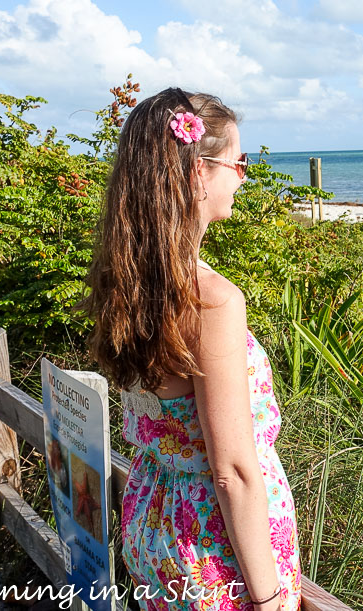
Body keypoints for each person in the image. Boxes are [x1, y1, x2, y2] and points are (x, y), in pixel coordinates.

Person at [82, 88, 301, 610]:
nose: (242, 177)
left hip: (153, 517)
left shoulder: (125, 281)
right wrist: (269, 597)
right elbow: (234, 471)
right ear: (197, 170)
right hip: (212, 546)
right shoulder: (212, 301)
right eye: (238, 162)